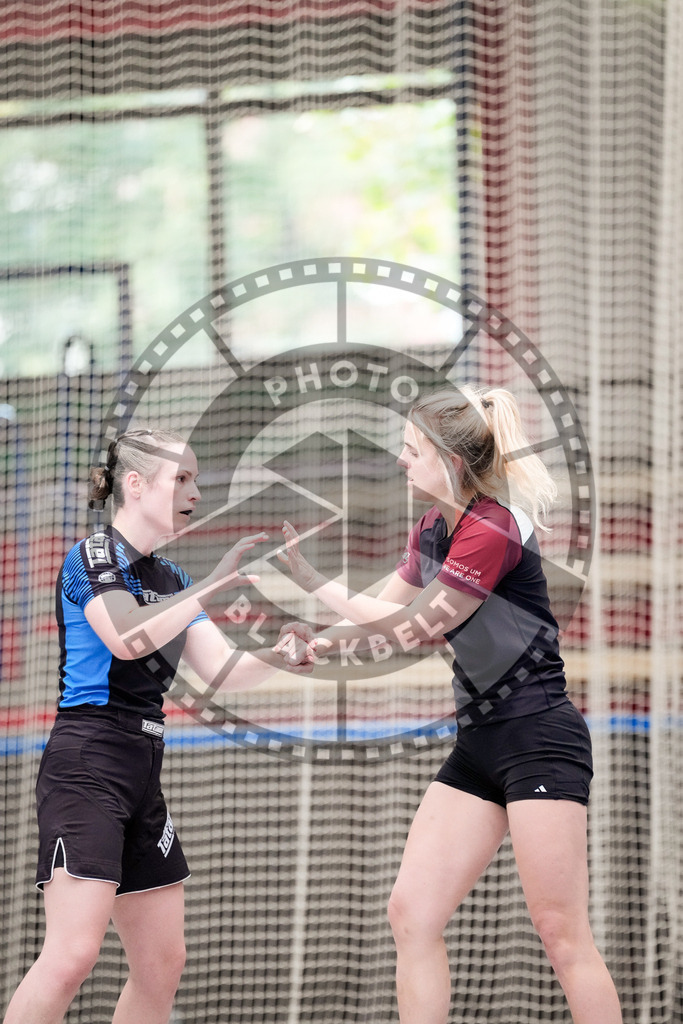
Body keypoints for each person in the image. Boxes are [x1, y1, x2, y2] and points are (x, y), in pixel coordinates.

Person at [275, 386, 622, 1024]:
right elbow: (384, 603)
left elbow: (418, 625)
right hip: (480, 744)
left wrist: (313, 583)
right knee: (412, 913)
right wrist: (320, 641)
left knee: (560, 932)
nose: (402, 461)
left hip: (539, 737)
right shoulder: (434, 525)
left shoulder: (491, 527)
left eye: (412, 450)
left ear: (450, 462)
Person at [3, 428, 312, 1024]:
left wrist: (280, 654)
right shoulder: (94, 555)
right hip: (88, 762)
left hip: (144, 770)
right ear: (137, 485)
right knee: (72, 955)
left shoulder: (170, 576)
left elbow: (222, 669)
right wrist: (214, 583)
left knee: (163, 963)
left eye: (196, 479)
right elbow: (125, 638)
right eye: (182, 479)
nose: (194, 491)